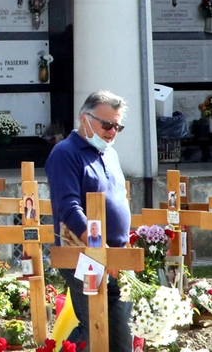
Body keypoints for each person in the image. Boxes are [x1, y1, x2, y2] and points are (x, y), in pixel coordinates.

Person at [47, 91, 133, 352]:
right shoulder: (65, 153)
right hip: (83, 255)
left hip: (117, 257)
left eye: (117, 126)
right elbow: (69, 208)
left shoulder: (110, 154)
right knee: (93, 327)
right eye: (106, 124)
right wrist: (100, 248)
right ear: (84, 119)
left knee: (120, 334)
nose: (111, 132)